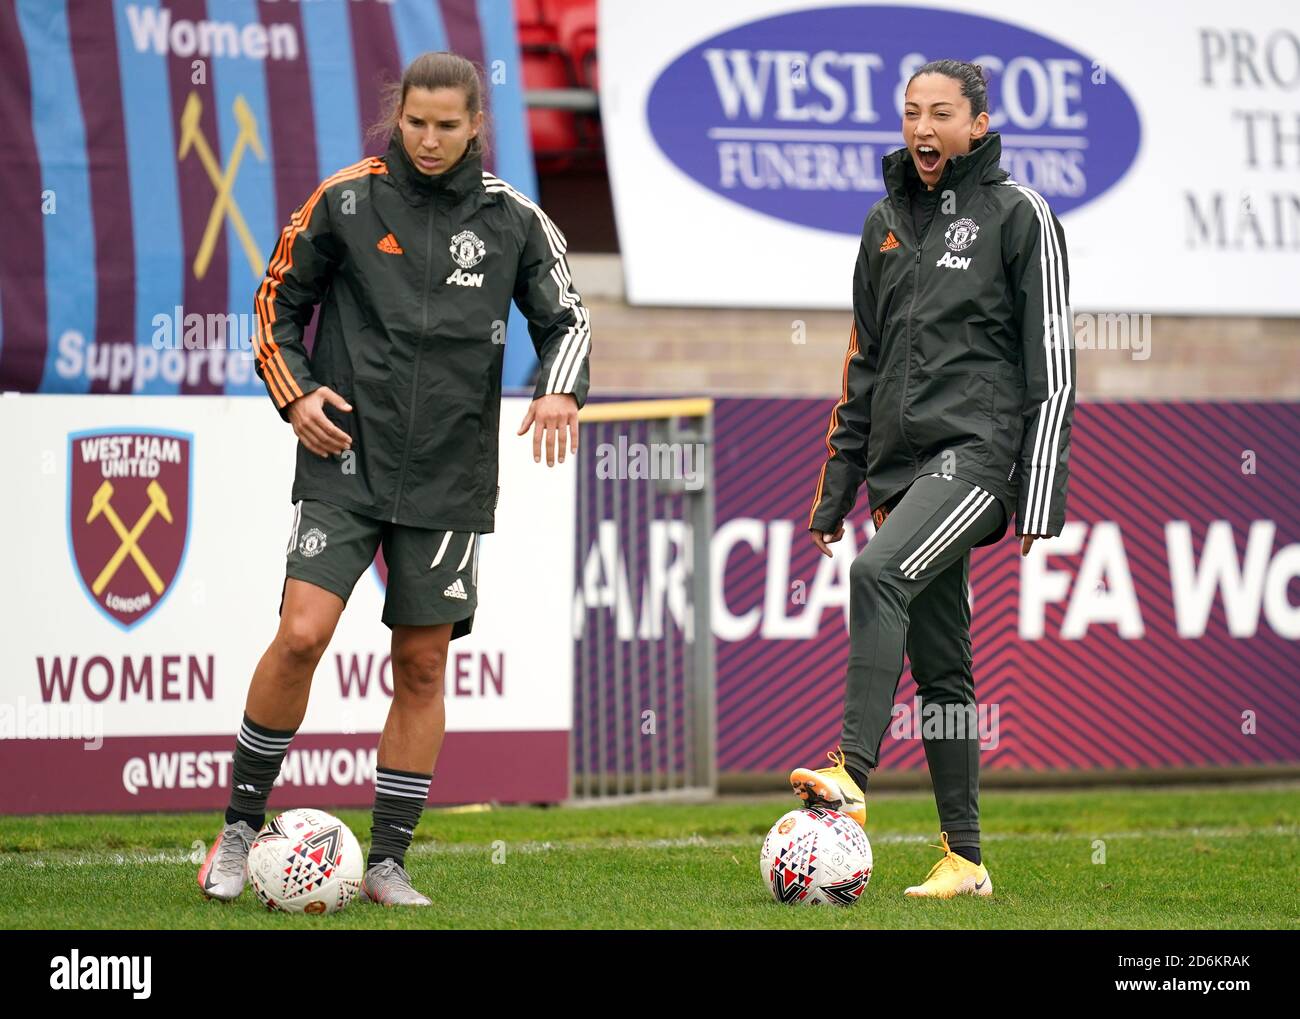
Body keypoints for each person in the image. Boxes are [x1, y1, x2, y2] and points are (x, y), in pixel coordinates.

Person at [197, 51, 590, 907]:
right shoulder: (345, 199)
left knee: (419, 666)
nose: (431, 139)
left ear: (477, 125)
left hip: (450, 476)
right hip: (345, 455)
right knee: (302, 631)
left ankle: (387, 861)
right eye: (416, 122)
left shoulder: (514, 219)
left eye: (449, 125)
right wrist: (295, 394)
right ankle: (236, 826)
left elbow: (569, 318)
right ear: (396, 115)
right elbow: (273, 303)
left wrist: (559, 387)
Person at [791, 60, 1075, 898]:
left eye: (941, 113)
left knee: (880, 573)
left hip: (978, 458)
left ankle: (851, 768)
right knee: (943, 667)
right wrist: (836, 487)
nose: (923, 128)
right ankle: (966, 858)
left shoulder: (1019, 215)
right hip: (897, 473)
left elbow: (1051, 363)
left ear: (977, 125)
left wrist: (1039, 486)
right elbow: (863, 367)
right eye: (911, 113)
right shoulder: (883, 222)